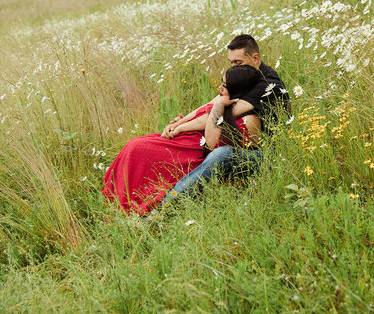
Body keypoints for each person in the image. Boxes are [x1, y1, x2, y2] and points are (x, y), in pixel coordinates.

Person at [102, 65, 262, 215]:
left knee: (137, 148)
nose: (220, 88)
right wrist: (178, 125)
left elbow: (212, 143)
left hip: (192, 153)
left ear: (237, 90)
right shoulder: (224, 99)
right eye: (221, 82)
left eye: (225, 86)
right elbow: (199, 114)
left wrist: (219, 106)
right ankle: (115, 201)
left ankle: (132, 206)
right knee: (135, 145)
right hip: (181, 141)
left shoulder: (248, 119)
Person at [160, 34, 289, 206]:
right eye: (231, 63)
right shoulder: (245, 75)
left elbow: (223, 112)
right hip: (237, 140)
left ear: (255, 58)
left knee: (223, 155)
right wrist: (178, 123)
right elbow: (211, 104)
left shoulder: (267, 84)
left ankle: (166, 205)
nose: (234, 67)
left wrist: (180, 128)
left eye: (238, 62)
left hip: (267, 155)